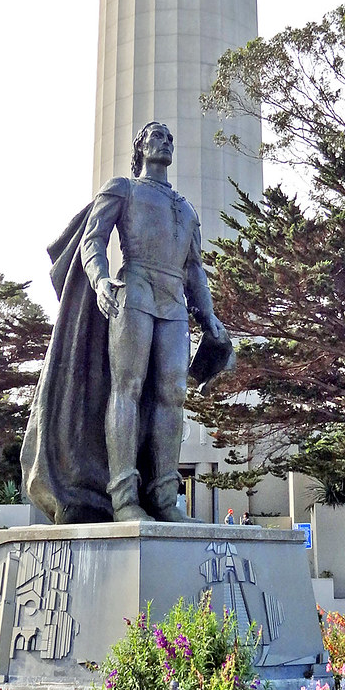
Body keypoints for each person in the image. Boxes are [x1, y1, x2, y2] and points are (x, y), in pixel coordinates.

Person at [21, 122, 229, 525]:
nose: (166, 141)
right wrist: (100, 281)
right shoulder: (124, 188)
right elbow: (92, 239)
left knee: (173, 394)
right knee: (127, 389)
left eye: (170, 137)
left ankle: (166, 496)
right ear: (140, 147)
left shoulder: (185, 209)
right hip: (133, 294)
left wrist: (208, 314)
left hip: (172, 306)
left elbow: (195, 270)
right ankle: (123, 497)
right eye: (156, 135)